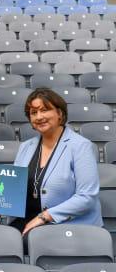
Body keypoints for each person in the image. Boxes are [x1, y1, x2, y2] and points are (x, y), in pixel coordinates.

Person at [11, 88, 103, 236]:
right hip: (29, 221)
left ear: (59, 113)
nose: (39, 117)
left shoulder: (80, 146)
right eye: (34, 113)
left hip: (67, 224)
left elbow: (87, 197)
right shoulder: (25, 147)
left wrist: (44, 216)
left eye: (45, 110)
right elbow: (14, 191)